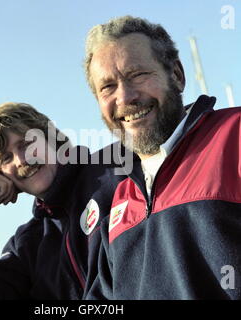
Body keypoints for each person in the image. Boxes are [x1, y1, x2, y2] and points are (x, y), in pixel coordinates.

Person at [83, 16, 241, 299]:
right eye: (107, 87)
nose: (125, 97)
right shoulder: (120, 202)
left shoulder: (235, 135)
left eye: (138, 75)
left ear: (177, 76)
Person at [0, 102, 126, 299]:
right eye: (6, 158)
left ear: (52, 140)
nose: (21, 160)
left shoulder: (119, 166)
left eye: (27, 144)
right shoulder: (27, 244)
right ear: (1, 176)